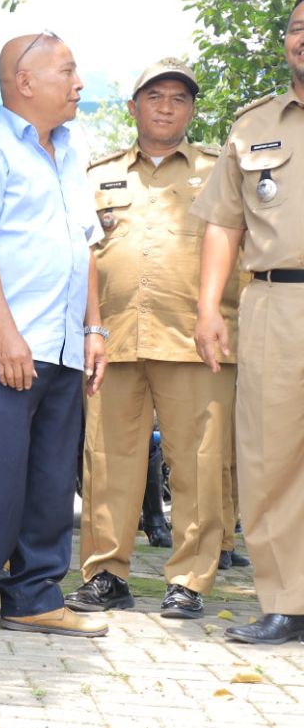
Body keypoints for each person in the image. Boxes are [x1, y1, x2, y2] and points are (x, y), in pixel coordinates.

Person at [0, 32, 109, 640]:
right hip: (4, 345)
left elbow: (84, 246)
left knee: (52, 478)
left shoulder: (71, 152)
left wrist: (93, 327)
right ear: (25, 82)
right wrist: (7, 335)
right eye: (68, 71)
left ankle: (33, 595)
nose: (78, 83)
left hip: (61, 342)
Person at [66, 60, 237, 621]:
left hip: (195, 340)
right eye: (155, 96)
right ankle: (106, 575)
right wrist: (89, 328)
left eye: (178, 98)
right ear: (133, 107)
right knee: (106, 461)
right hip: (112, 339)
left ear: (192, 110)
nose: (166, 106)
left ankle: (189, 580)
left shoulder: (220, 170)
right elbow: (81, 254)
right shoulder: (98, 175)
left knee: (198, 463)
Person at [191, 0, 304, 645]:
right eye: (297, 28)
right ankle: (286, 602)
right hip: (273, 304)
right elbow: (223, 226)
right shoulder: (251, 126)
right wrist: (209, 307)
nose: (303, 38)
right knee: (270, 456)